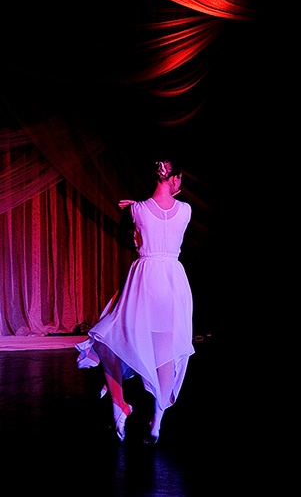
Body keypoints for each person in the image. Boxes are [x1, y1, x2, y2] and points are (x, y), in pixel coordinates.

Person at [76, 157, 195, 443]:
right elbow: (165, 218)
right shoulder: (186, 210)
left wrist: (136, 207)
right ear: (175, 179)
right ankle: (157, 423)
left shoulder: (137, 210)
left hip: (146, 279)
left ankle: (119, 403)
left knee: (107, 337)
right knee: (164, 350)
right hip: (173, 282)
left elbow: (147, 222)